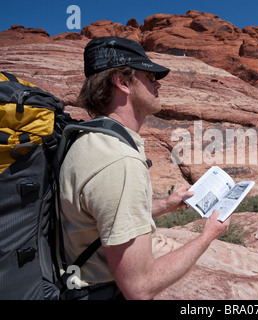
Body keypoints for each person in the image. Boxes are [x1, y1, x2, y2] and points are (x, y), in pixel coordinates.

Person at [59, 36, 230, 300]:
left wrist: (165, 205)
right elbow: (140, 287)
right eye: (149, 76)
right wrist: (207, 236)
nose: (157, 83)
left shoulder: (87, 139)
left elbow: (100, 216)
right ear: (123, 82)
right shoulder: (118, 161)